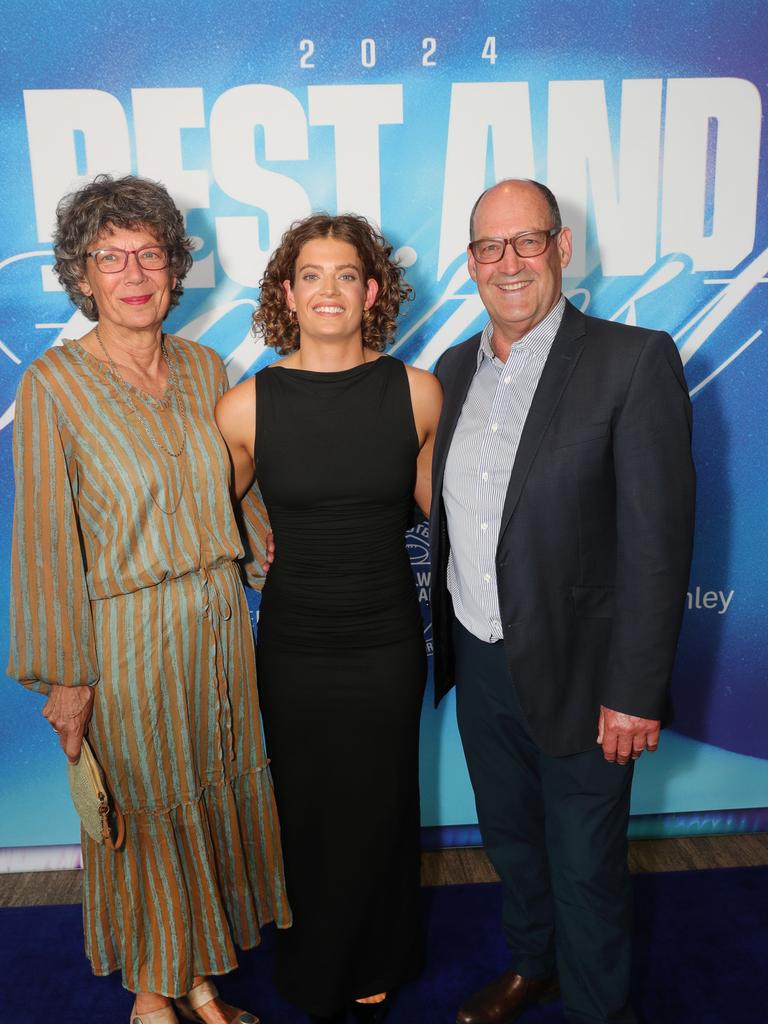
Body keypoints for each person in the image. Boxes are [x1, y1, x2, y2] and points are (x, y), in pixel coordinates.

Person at [8, 174, 291, 1024]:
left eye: (150, 253)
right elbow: (46, 542)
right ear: (82, 275)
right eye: (110, 256)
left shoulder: (208, 367)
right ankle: (151, 1004)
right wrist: (66, 677)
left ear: (174, 268)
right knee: (150, 815)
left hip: (218, 631)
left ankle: (196, 981)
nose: (134, 272)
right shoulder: (52, 385)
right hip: (123, 641)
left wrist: (284, 560)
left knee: (209, 800)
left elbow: (237, 489)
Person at [429, 179, 695, 1024]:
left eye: (527, 242)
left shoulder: (633, 359)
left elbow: (657, 544)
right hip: (481, 655)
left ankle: (594, 1009)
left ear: (562, 248)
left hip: (587, 674)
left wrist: (635, 690)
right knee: (512, 839)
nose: (508, 264)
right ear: (470, 262)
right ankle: (532, 965)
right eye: (488, 248)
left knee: (586, 862)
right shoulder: (452, 367)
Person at [215, 212, 442, 1023]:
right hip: (296, 645)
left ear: (372, 290)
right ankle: (313, 959)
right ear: (288, 291)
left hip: (385, 640)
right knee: (306, 805)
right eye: (311, 274)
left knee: (382, 800)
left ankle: (379, 952)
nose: (329, 289)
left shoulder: (417, 392)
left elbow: (446, 513)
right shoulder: (246, 406)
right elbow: (208, 518)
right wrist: (252, 549)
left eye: (346, 273)